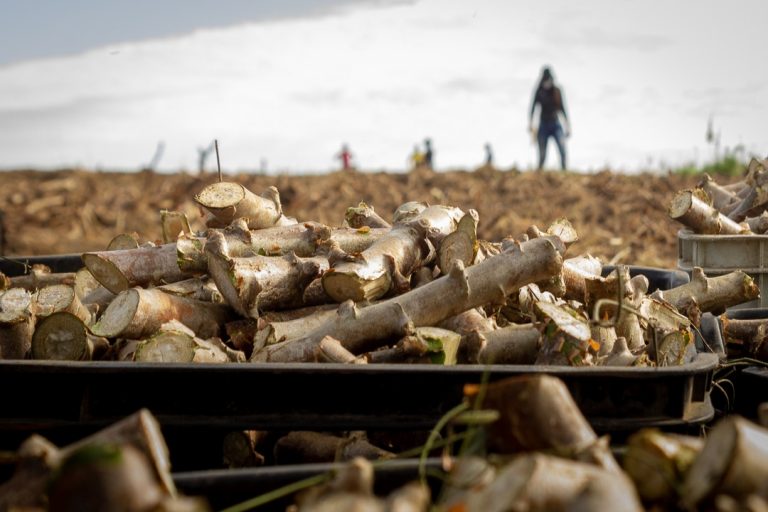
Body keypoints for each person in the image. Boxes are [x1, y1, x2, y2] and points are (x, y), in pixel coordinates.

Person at [529, 66, 570, 170]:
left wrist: (567, 125)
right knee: (542, 154)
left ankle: (564, 171)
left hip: (555, 124)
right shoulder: (539, 91)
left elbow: (562, 108)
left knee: (562, 150)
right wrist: (531, 124)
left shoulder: (556, 91)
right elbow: (533, 107)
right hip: (543, 125)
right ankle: (539, 173)